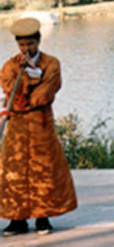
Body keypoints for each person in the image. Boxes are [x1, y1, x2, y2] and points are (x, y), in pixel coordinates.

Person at [0, 17, 77, 235]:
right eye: (22, 45)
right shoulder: (9, 66)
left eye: (30, 44)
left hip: (41, 125)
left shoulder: (51, 63)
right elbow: (9, 93)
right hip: (17, 128)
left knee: (44, 167)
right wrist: (22, 79)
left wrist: (29, 81)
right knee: (15, 170)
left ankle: (43, 217)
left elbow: (45, 94)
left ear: (39, 41)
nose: (26, 49)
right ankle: (17, 219)